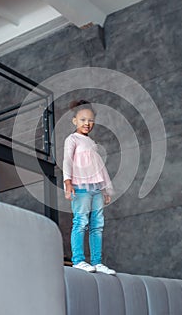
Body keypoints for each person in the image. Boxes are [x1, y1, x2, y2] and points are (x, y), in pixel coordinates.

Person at [63, 99, 116, 275]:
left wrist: (106, 188)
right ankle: (78, 260)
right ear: (75, 121)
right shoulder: (72, 139)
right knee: (80, 222)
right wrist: (68, 182)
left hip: (96, 188)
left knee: (97, 225)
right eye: (83, 119)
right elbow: (67, 161)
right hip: (81, 187)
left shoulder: (91, 143)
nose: (87, 123)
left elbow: (98, 166)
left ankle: (97, 262)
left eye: (91, 120)